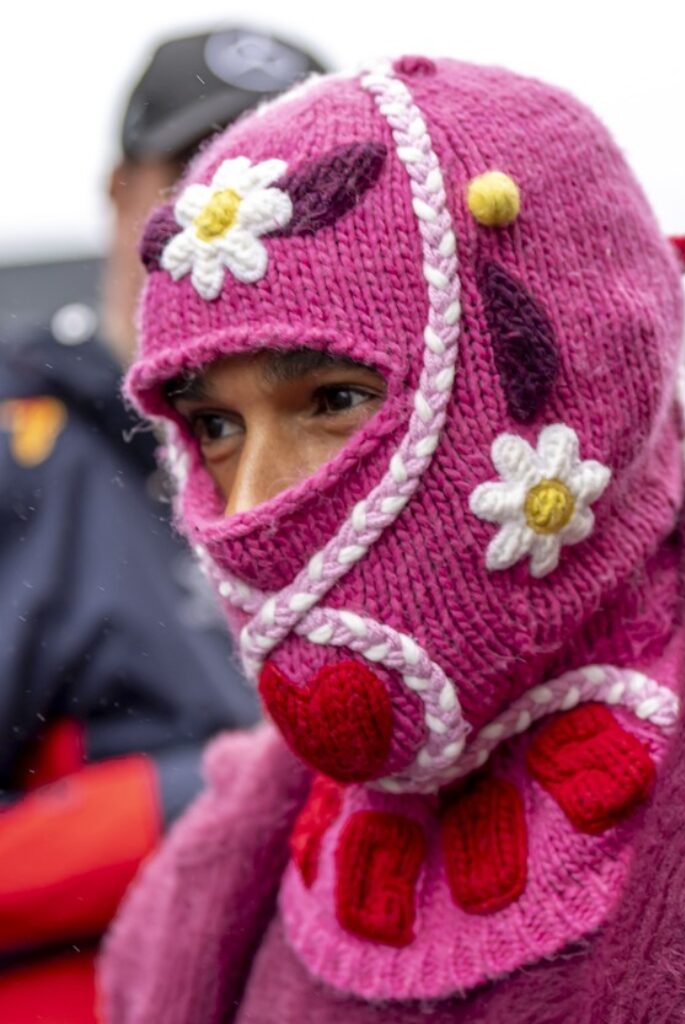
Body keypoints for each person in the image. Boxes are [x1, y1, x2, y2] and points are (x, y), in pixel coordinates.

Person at [100, 57, 685, 1022]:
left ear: (588, 390)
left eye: (333, 402)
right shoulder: (202, 889)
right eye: (214, 426)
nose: (250, 504)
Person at [0, 27, 324, 1022]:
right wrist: (224, 795)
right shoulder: (20, 446)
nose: (239, 225)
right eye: (201, 177)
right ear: (120, 194)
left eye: (289, 192)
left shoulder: (373, 476)